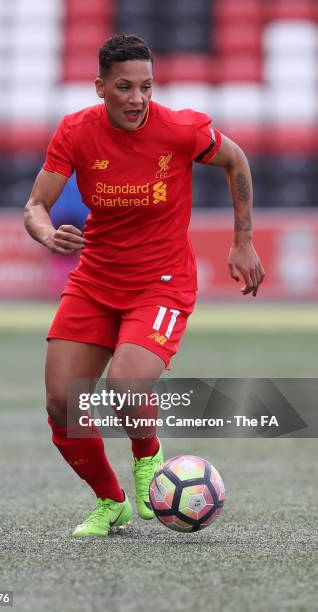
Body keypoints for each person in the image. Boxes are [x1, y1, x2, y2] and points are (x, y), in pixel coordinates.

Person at [24, 33, 265, 537]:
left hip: (162, 282)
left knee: (125, 386)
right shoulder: (75, 132)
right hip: (95, 279)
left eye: (146, 87)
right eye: (125, 87)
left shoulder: (178, 130)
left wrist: (243, 241)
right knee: (60, 402)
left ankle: (147, 457)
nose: (137, 99)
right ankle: (110, 502)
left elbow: (236, 160)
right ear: (100, 87)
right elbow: (35, 206)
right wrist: (47, 234)